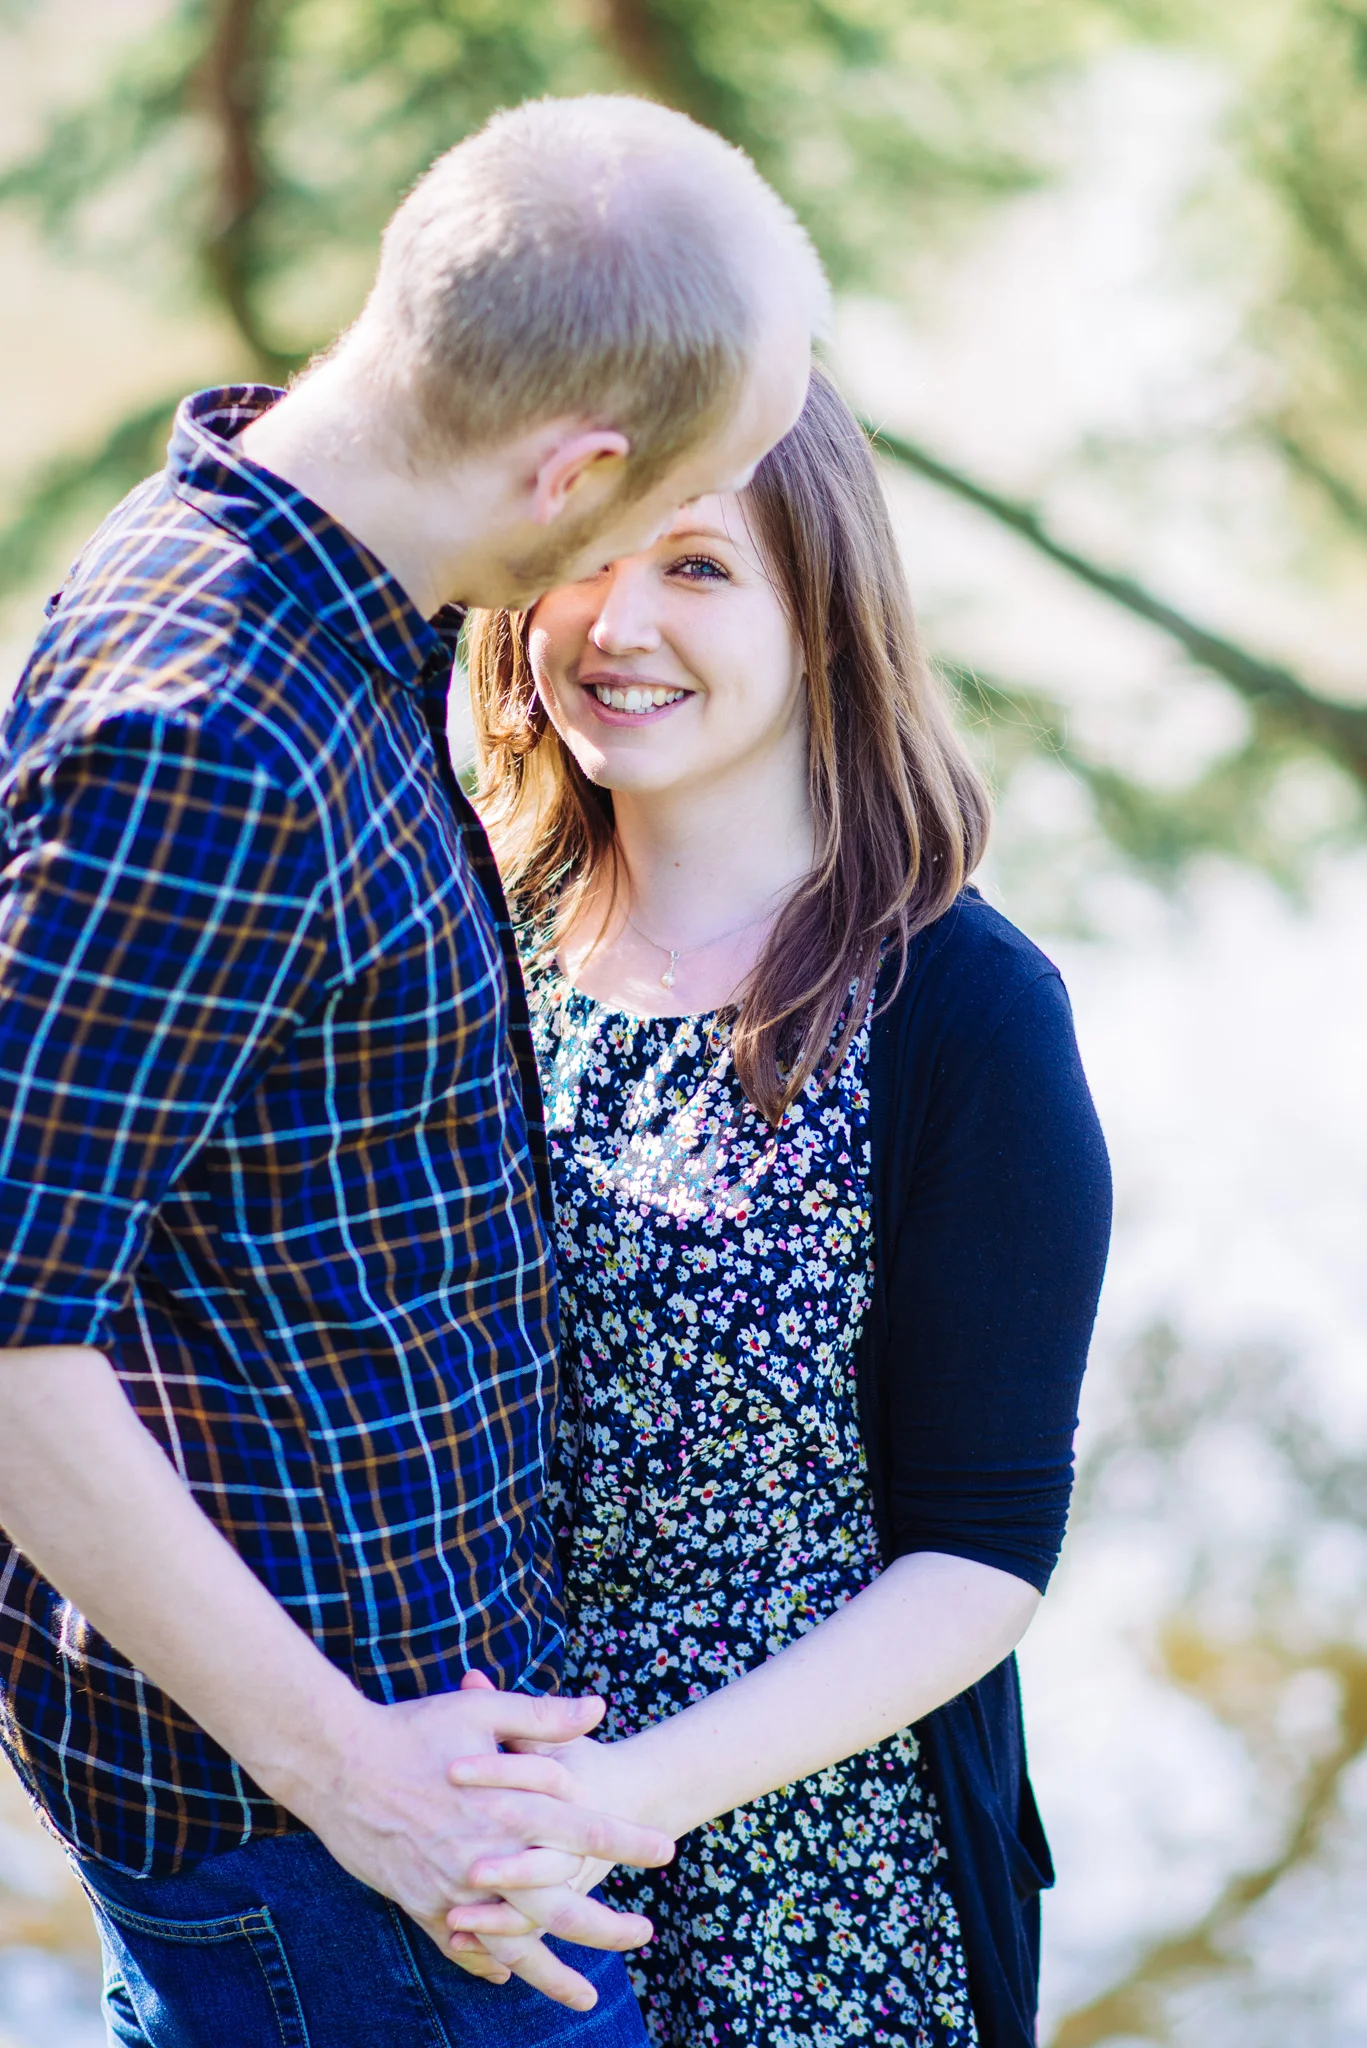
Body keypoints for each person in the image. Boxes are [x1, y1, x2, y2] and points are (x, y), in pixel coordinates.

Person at [0, 95, 826, 2047]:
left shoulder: (307, 592)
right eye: (655, 511)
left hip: (406, 1812)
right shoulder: (210, 737)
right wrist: (358, 1779)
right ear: (575, 469)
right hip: (348, 1870)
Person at [453, 367, 1112, 2047]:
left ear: (822, 611)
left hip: (805, 1881)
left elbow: (978, 1559)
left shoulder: (962, 1009)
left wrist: (623, 1797)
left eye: (696, 565)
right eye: (582, 557)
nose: (616, 622)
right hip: (457, 1856)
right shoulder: (460, 941)